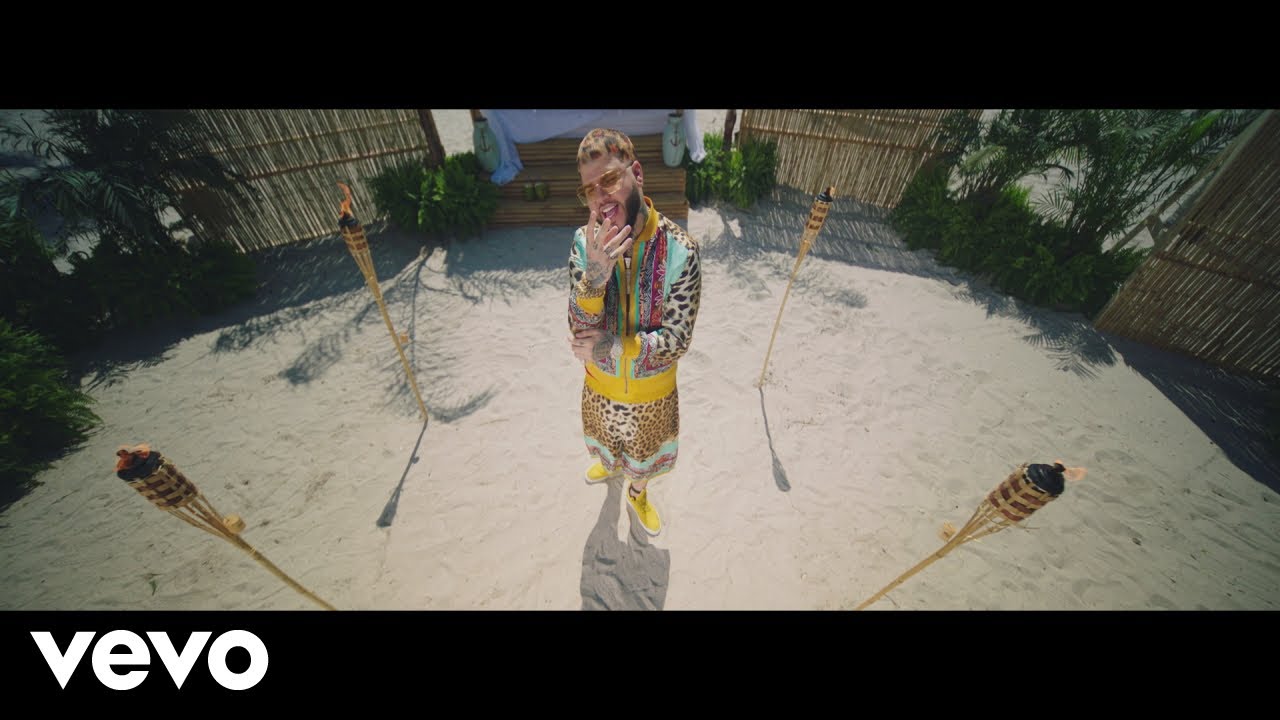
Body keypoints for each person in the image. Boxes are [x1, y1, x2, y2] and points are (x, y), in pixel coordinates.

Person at [567, 128, 702, 537]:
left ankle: (637, 494)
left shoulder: (681, 250)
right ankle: (610, 468)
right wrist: (594, 279)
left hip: (651, 399)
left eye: (609, 179)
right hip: (600, 390)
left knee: (642, 467)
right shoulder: (584, 243)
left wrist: (614, 345)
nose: (600, 198)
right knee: (606, 452)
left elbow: (676, 342)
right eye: (589, 190)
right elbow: (578, 331)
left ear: (637, 174)